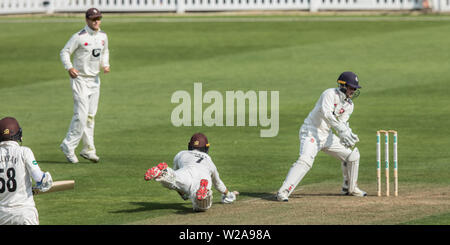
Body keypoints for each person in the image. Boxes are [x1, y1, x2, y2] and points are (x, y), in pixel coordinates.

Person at [276, 71, 367, 202]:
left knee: (352, 156)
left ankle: (350, 188)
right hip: (311, 131)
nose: (353, 91)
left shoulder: (349, 105)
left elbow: (342, 122)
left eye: (355, 88)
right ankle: (283, 192)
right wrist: (341, 130)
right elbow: (327, 114)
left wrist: (347, 132)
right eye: (351, 87)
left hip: (327, 135)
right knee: (305, 161)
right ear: (343, 85)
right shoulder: (329, 94)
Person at [59, 8, 110, 163]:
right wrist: (69, 67)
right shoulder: (79, 37)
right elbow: (64, 52)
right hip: (80, 79)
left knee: (89, 117)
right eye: (93, 19)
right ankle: (68, 145)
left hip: (94, 80)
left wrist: (105, 64)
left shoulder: (103, 36)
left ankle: (88, 149)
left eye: (98, 18)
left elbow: (105, 51)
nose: (96, 21)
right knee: (81, 115)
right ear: (87, 20)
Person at [144, 133, 238, 212]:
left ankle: (163, 172)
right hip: (203, 178)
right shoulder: (209, 161)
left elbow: (176, 183)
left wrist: (182, 193)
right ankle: (203, 191)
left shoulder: (181, 154)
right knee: (202, 206)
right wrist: (228, 194)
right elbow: (218, 184)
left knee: (173, 178)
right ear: (206, 147)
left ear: (189, 145)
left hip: (185, 173)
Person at [0, 117, 53, 225]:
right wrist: (47, 179)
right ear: (18, 135)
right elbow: (39, 178)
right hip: (24, 213)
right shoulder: (24, 152)